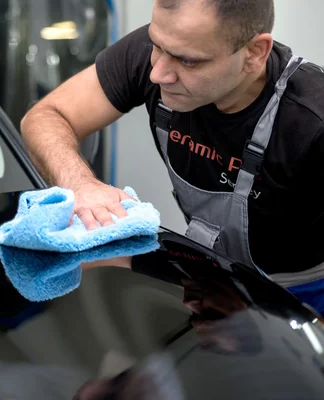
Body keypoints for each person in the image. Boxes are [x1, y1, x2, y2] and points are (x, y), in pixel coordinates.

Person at [20, 0, 324, 277]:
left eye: (188, 61)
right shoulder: (162, 50)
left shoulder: (312, 119)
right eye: (156, 46)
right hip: (215, 277)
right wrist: (81, 184)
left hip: (303, 294)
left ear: (254, 54)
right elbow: (46, 116)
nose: (158, 73)